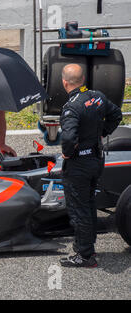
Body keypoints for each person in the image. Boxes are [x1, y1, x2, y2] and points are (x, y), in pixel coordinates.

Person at [59, 64, 122, 268]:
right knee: (89, 204)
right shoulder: (98, 96)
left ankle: (85, 255)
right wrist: (102, 132)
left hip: (79, 165)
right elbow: (116, 115)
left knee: (80, 209)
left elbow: (68, 137)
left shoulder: (71, 107)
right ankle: (88, 246)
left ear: (64, 82)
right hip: (96, 159)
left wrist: (67, 152)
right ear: (83, 79)